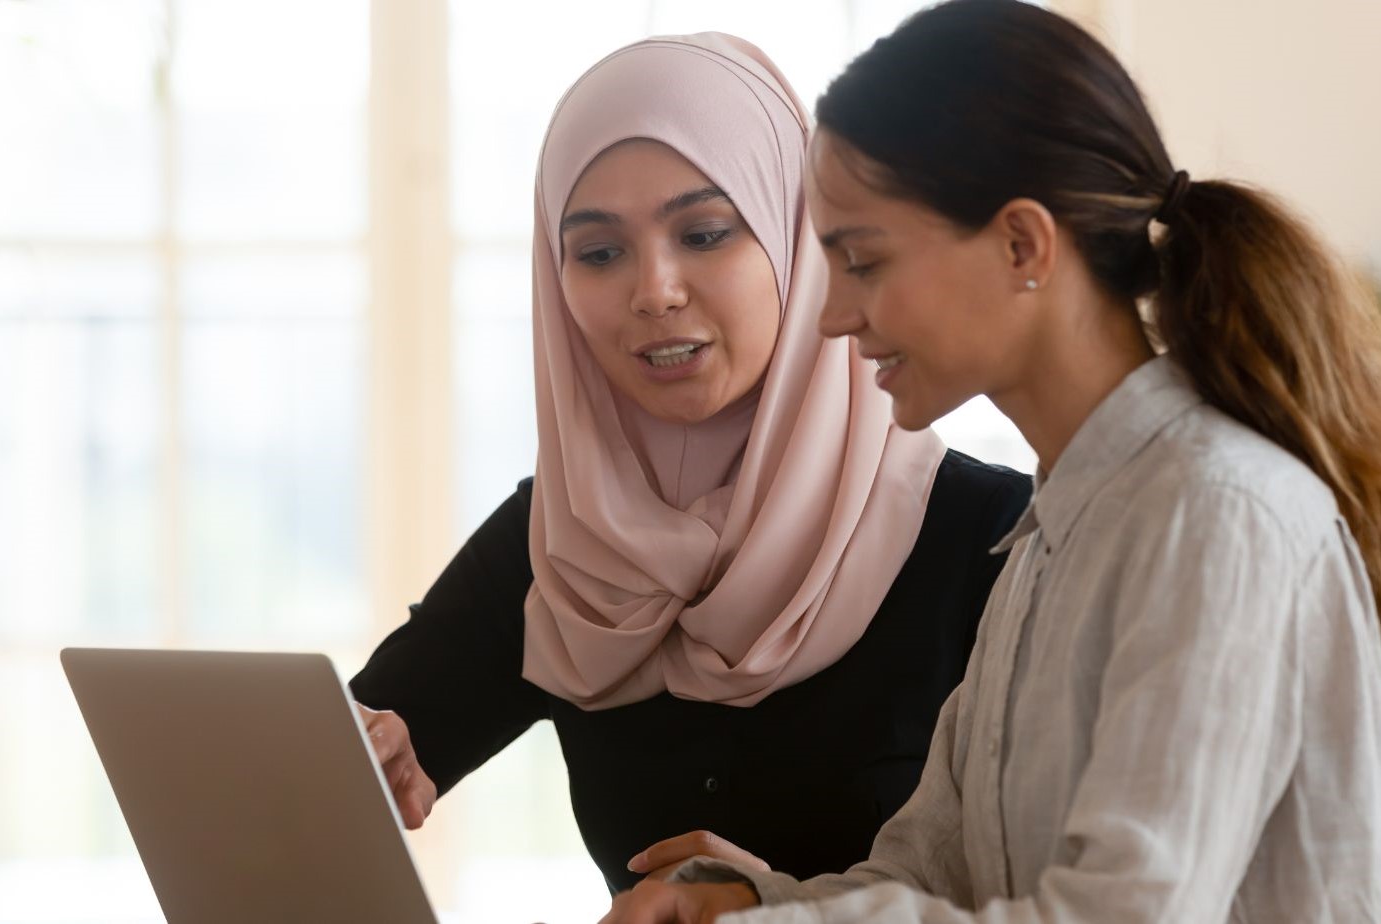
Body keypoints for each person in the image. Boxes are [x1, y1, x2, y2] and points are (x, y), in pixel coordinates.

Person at [601, 1, 1381, 921]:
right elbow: (935, 878)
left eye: (863, 259)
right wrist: (745, 903)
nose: (832, 315)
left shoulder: (1218, 514)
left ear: (1022, 243)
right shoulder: (1049, 537)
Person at [348, 31, 1031, 894]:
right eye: (599, 253)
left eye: (706, 233)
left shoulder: (998, 542)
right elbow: (359, 744)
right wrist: (360, 751)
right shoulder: (562, 538)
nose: (654, 290)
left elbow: (1063, 895)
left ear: (801, 241)